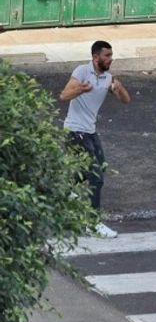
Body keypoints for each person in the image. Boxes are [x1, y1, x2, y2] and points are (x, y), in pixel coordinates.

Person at [59, 40, 131, 239]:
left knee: (99, 166)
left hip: (89, 130)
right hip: (74, 130)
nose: (110, 59)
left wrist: (120, 89)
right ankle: (93, 223)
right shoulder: (82, 71)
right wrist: (80, 90)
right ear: (95, 57)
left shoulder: (108, 78)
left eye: (111, 55)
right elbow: (64, 95)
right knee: (96, 176)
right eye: (107, 55)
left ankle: (61, 191)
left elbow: (126, 101)